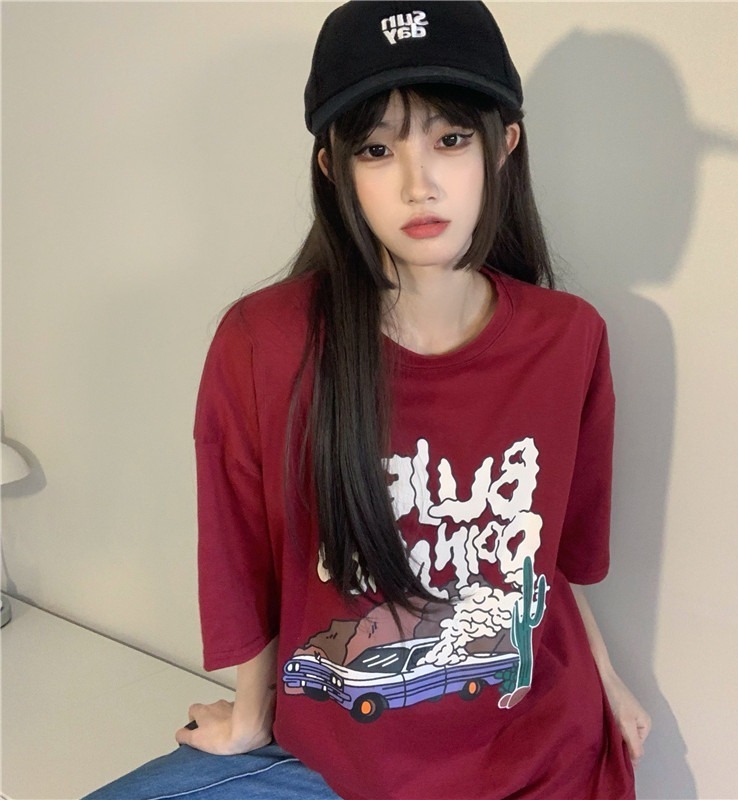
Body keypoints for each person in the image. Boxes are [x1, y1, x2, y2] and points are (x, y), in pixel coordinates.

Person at [84, 2, 651, 798]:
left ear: (504, 147)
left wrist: (610, 682)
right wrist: (251, 712)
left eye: (451, 140)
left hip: (534, 754)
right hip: (333, 759)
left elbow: (553, 563)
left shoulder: (569, 337)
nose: (420, 185)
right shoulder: (266, 343)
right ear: (334, 168)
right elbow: (239, 553)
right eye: (378, 150)